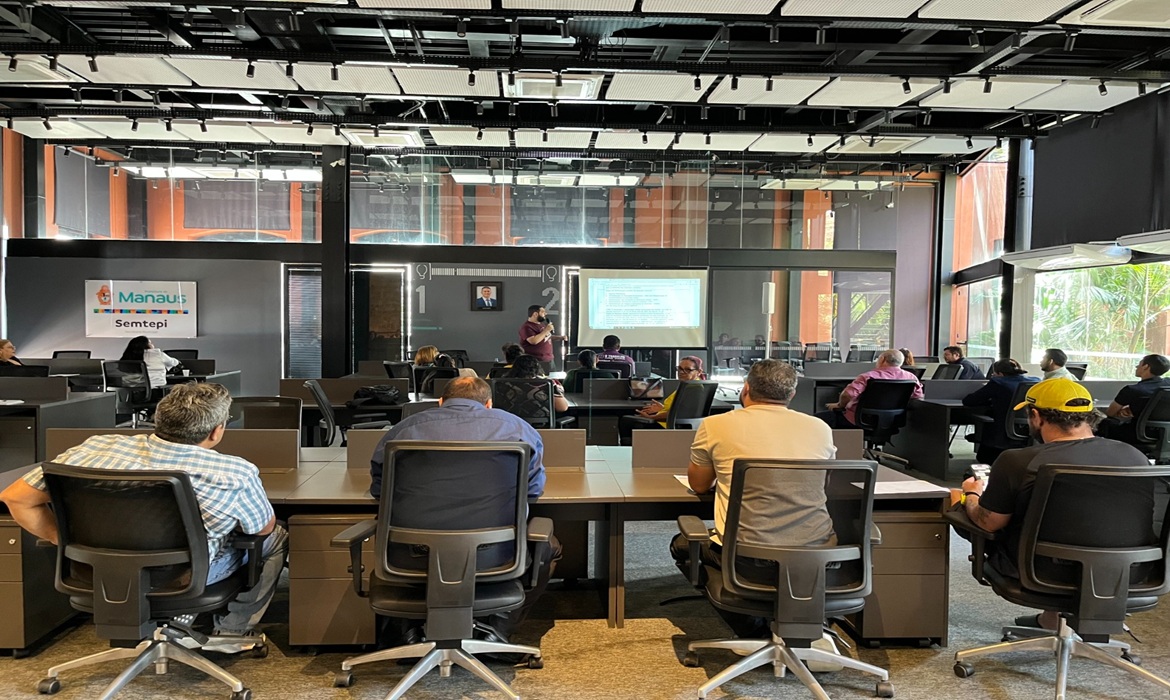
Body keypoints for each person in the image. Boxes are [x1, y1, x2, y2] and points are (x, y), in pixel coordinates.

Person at [0, 383, 287, 651]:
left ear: (158, 420)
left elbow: (15, 498)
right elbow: (262, 529)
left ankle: (177, 620)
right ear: (216, 431)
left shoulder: (94, 448)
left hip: (95, 569)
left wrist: (63, 541)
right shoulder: (234, 472)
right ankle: (231, 632)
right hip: (181, 576)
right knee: (277, 538)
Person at [367, 377, 561, 648]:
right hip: (494, 553)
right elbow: (533, 490)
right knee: (548, 546)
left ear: (441, 402)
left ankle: (408, 631)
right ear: (489, 404)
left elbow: (380, 490)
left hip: (411, 554)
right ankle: (497, 630)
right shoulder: (518, 428)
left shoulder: (404, 429)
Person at [957, 379, 1151, 631]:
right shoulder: (1134, 456)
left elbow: (990, 522)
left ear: (1036, 416)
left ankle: (1056, 621)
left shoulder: (1017, 460)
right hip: (1130, 572)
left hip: (1040, 572)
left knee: (963, 510)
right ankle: (1052, 620)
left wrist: (970, 495)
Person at [669, 359, 837, 638]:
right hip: (815, 555)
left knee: (682, 544)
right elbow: (823, 484)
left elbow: (698, 485)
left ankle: (753, 630)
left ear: (745, 389)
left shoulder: (716, 425)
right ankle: (806, 623)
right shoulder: (820, 428)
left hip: (747, 558)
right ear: (792, 394)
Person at [816, 349, 923, 428]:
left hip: (860, 420)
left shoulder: (868, 377)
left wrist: (839, 405)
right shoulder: (912, 378)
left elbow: (847, 395)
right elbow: (918, 398)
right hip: (893, 420)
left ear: (882, 359)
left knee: (816, 420)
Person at [961, 359, 1038, 464]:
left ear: (1000, 374)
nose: (993, 376)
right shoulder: (1035, 381)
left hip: (1001, 435)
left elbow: (969, 401)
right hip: (1028, 429)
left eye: (994, 374)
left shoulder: (997, 383)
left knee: (984, 456)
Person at [617, 356, 705, 445]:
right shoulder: (690, 386)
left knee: (626, 421)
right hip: (673, 424)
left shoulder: (694, 389)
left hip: (669, 427)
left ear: (699, 372)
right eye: (680, 368)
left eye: (688, 370)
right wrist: (662, 408)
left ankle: (630, 450)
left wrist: (651, 417)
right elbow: (681, 409)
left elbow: (678, 415)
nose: (682, 372)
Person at [1099, 353, 1170, 445]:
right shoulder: (1168, 384)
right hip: (1165, 434)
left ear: (1146, 367)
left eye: (1139, 364)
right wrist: (1135, 409)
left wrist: (1130, 410)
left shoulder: (1132, 390)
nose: (1137, 366)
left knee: (1103, 422)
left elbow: (1110, 413)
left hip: (1137, 434)